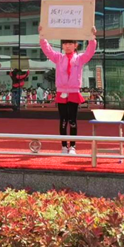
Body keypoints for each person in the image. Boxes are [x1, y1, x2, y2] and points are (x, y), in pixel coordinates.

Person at [39, 25, 97, 155]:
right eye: (65, 43)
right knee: (63, 120)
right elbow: (47, 50)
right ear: (62, 45)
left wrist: (92, 37)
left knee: (72, 120)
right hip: (61, 92)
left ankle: (73, 146)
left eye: (70, 43)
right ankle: (64, 146)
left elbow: (90, 51)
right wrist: (42, 36)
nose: (67, 46)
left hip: (74, 92)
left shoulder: (80, 59)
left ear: (76, 45)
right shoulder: (58, 58)